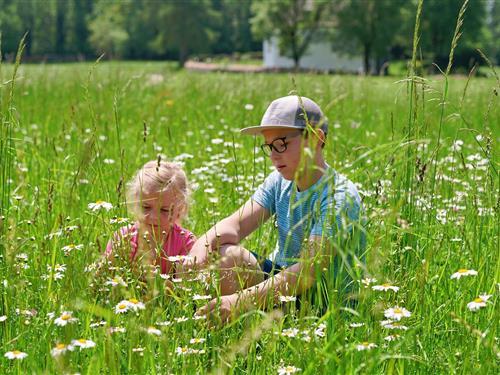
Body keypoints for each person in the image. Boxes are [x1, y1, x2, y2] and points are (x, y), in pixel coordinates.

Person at [184, 95, 365, 323]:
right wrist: (198, 252)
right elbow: (235, 225)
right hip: (282, 286)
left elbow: (309, 272)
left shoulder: (340, 195)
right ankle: (234, 340)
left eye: (282, 144)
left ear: (317, 139)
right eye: (269, 147)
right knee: (227, 256)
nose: (274, 156)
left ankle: (247, 336)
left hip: (327, 302)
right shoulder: (279, 181)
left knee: (235, 270)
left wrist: (240, 301)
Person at [106, 160, 196, 276]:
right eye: (146, 207)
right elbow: (96, 286)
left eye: (164, 210)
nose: (153, 217)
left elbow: (185, 289)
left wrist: (157, 282)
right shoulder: (123, 237)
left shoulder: (186, 243)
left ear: (180, 210)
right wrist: (112, 259)